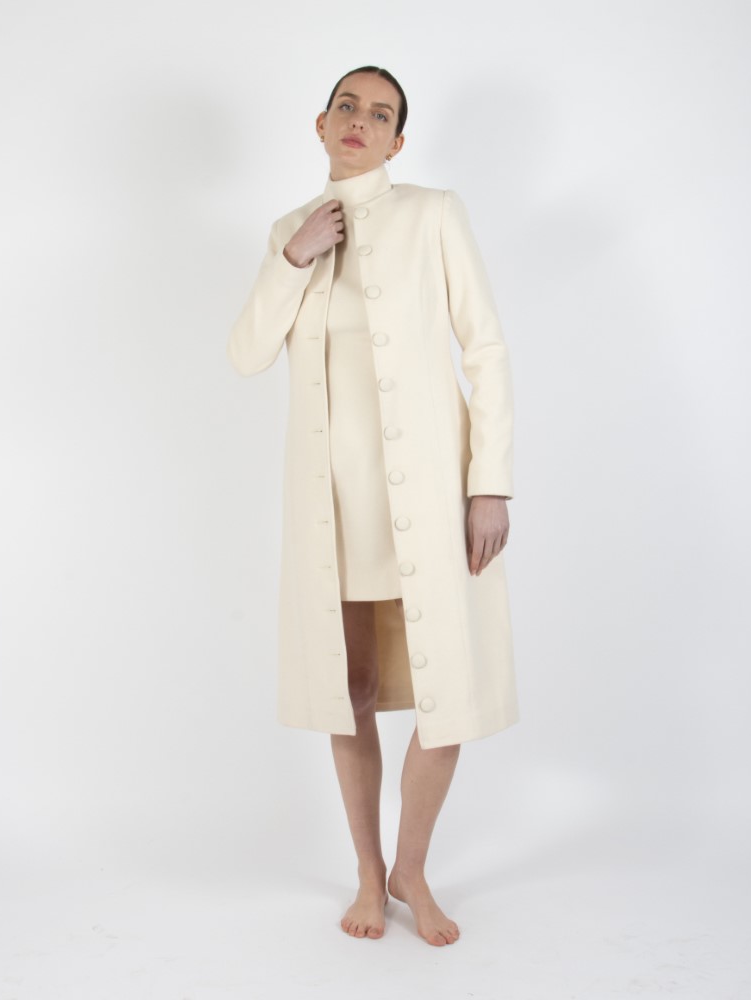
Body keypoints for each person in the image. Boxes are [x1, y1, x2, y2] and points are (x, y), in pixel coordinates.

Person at [228, 66, 517, 947]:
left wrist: (490, 482)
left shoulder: (435, 213)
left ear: (398, 141)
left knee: (446, 691)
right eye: (346, 107)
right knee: (348, 688)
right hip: (335, 505)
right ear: (320, 125)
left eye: (379, 113)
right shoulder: (290, 232)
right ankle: (366, 870)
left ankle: (410, 871)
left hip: (429, 492)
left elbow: (486, 349)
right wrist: (294, 256)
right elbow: (246, 354)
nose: (360, 120)